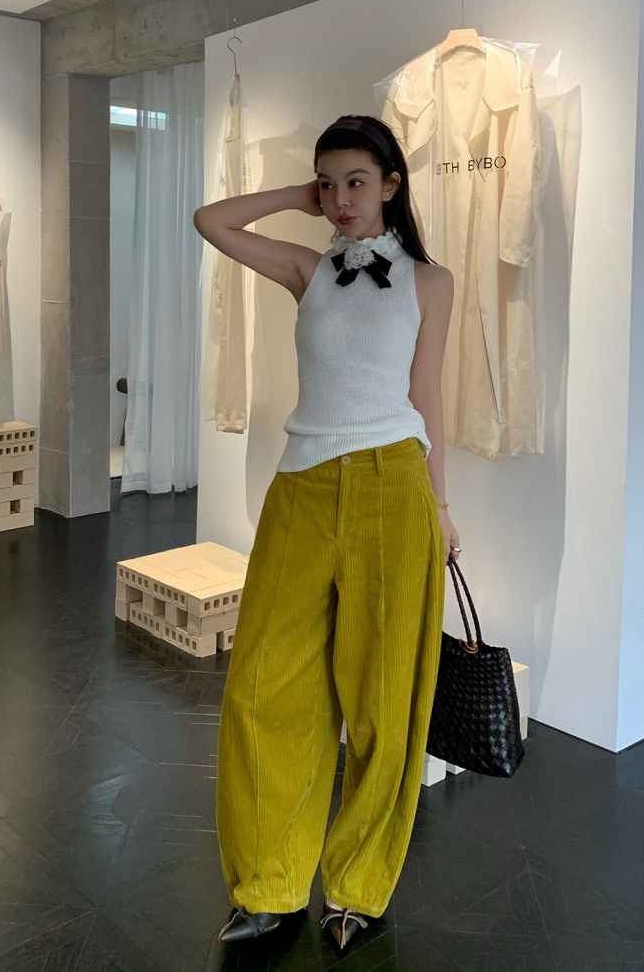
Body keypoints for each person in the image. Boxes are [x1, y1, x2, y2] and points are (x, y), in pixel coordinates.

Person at [193, 113, 458, 951]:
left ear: (391, 185)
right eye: (329, 183)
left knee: (384, 696)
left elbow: (427, 395)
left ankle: (357, 888)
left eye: (356, 181)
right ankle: (268, 883)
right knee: (264, 686)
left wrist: (442, 506)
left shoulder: (431, 280)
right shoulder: (307, 269)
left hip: (394, 486)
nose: (342, 198)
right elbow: (211, 221)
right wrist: (294, 195)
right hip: (303, 485)